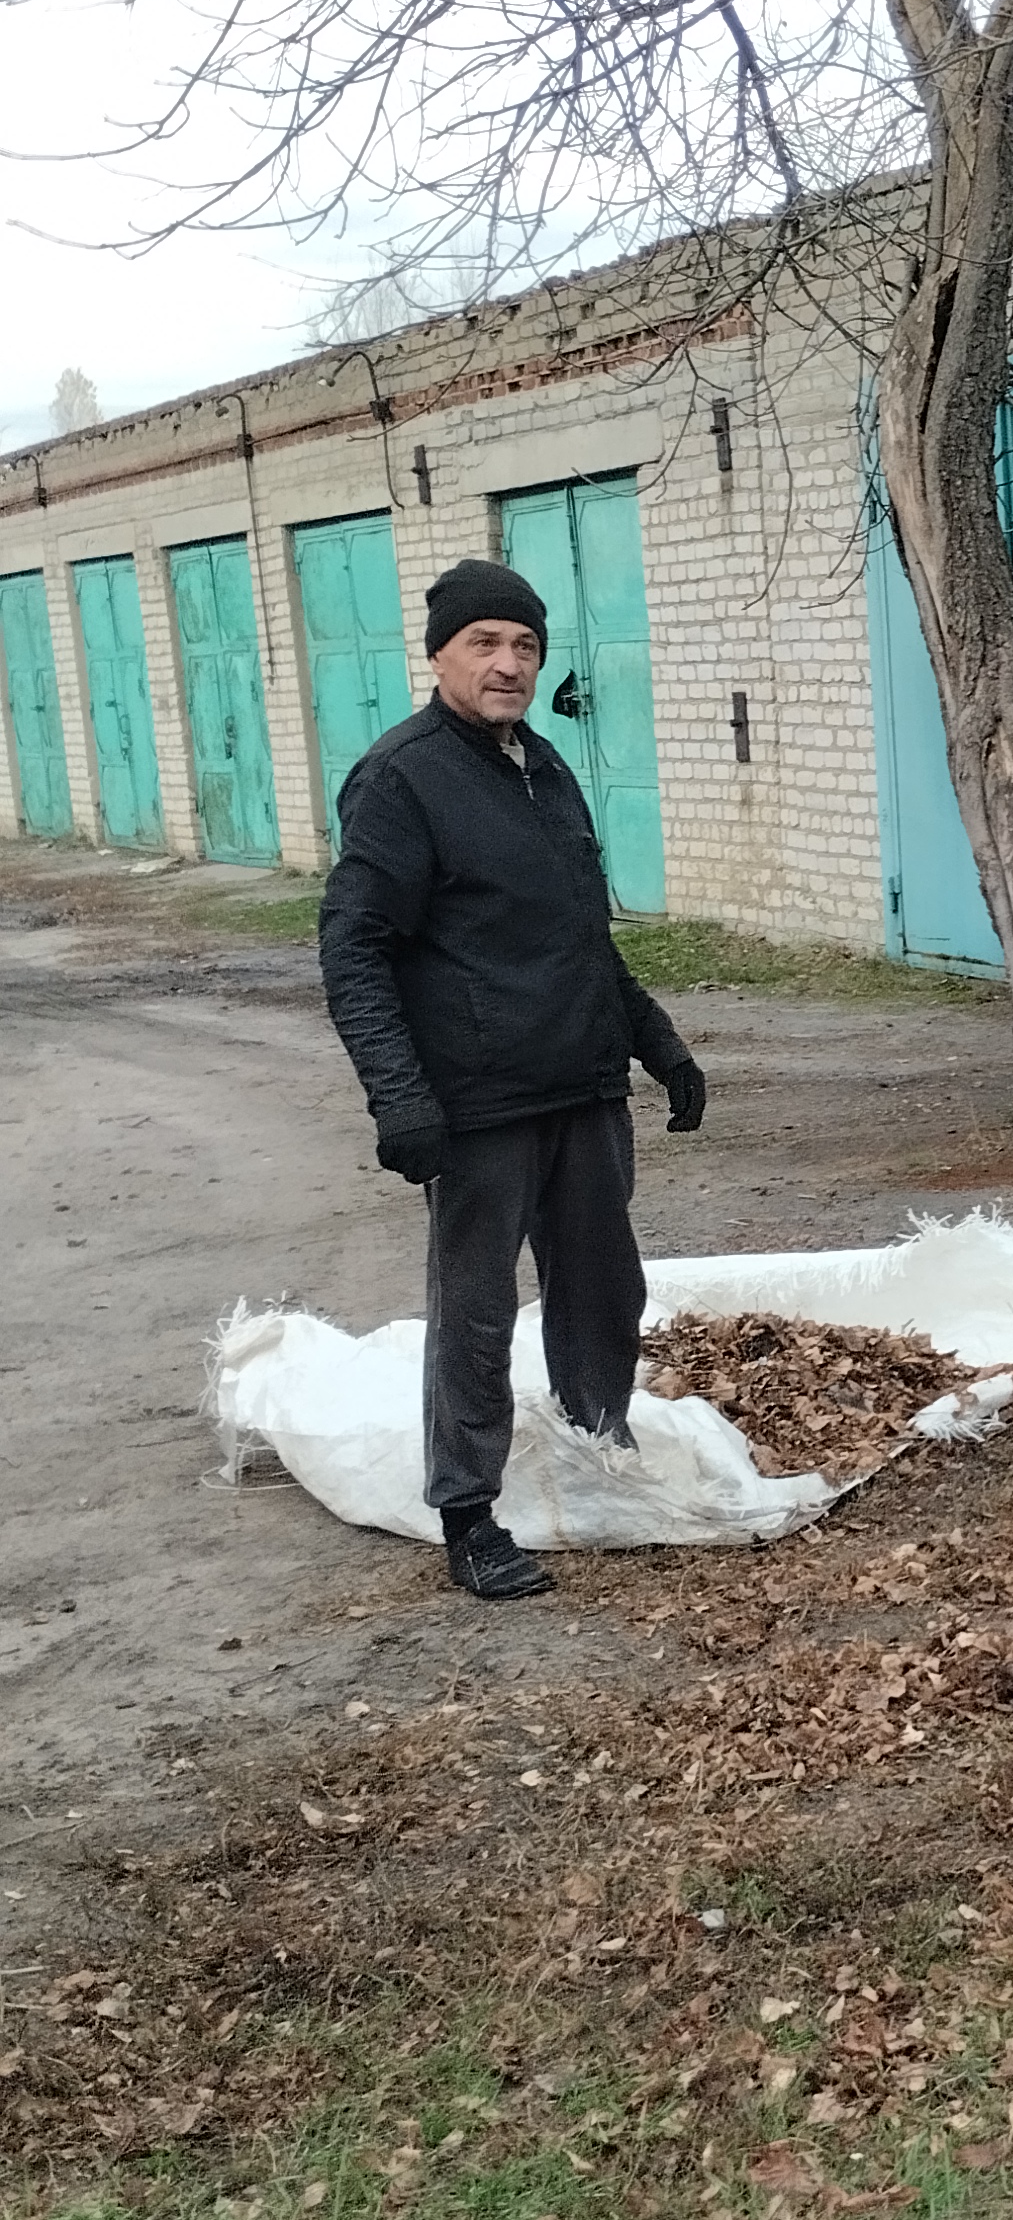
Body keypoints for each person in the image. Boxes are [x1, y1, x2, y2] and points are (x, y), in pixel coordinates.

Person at [318, 558, 705, 1604]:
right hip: (478, 1103)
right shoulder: (401, 780)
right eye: (485, 643)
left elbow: (585, 938)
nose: (509, 664)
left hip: (581, 1087)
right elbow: (354, 951)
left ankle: (597, 1451)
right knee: (478, 1313)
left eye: (526, 646)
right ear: (438, 652)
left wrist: (657, 1042)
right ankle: (469, 1515)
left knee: (602, 1292)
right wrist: (398, 1098)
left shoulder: (544, 767)